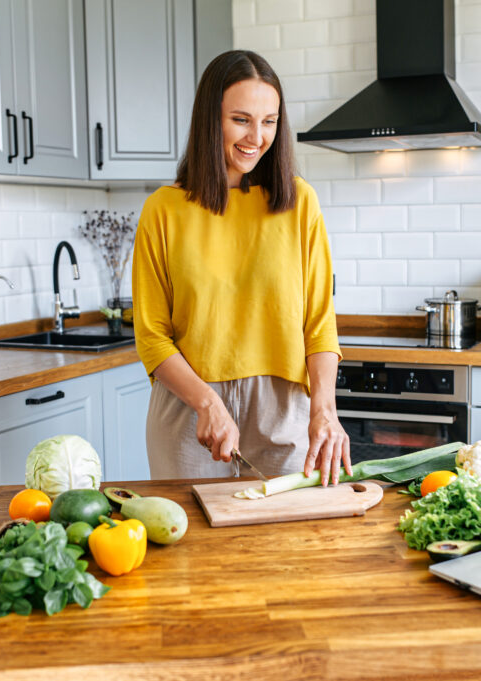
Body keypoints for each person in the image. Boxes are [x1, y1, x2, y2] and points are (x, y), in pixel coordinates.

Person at [132, 50, 350, 487]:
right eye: (241, 119)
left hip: (283, 411)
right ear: (209, 120)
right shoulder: (164, 210)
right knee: (190, 552)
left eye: (269, 121)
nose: (257, 136)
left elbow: (319, 323)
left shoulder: (299, 203)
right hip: (189, 412)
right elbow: (152, 339)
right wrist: (208, 402)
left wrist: (325, 409)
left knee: (286, 550)